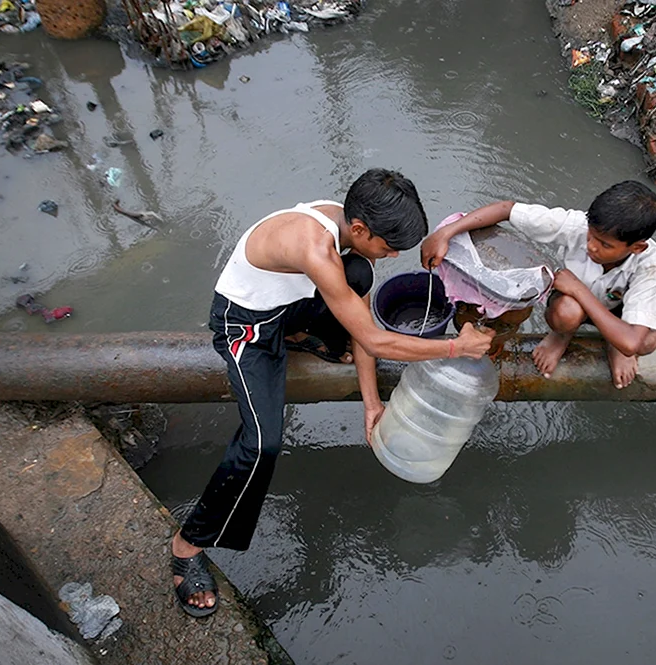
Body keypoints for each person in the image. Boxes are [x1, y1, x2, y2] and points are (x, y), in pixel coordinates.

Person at [171, 168, 494, 617]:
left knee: (359, 273)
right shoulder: (314, 246)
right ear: (359, 228)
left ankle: (299, 334)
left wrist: (372, 402)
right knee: (261, 444)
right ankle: (186, 547)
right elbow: (377, 341)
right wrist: (458, 346)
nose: (392, 254)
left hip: (283, 308)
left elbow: (362, 321)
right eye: (388, 246)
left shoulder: (344, 223)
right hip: (244, 326)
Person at [420, 181, 656, 390]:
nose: (591, 246)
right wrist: (446, 233)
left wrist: (579, 289)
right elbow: (507, 209)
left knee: (647, 342)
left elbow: (632, 342)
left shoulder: (648, 263)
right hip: (571, 305)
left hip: (612, 310)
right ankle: (561, 335)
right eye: (590, 236)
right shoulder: (576, 226)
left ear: (636, 247)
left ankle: (613, 344)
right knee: (567, 312)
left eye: (605, 245)